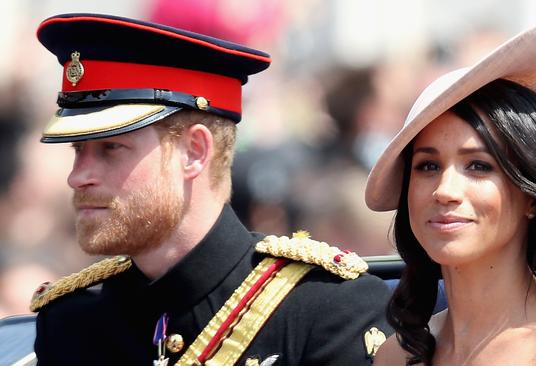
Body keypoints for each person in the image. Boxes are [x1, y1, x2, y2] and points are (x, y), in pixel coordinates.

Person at [30, 13, 391, 365]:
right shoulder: (70, 322)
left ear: (194, 152)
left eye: (111, 148)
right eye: (78, 149)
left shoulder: (326, 308)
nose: (78, 176)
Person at [364, 8, 536, 366]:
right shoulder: (395, 355)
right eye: (428, 166)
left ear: (532, 193)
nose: (444, 189)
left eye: (479, 166)